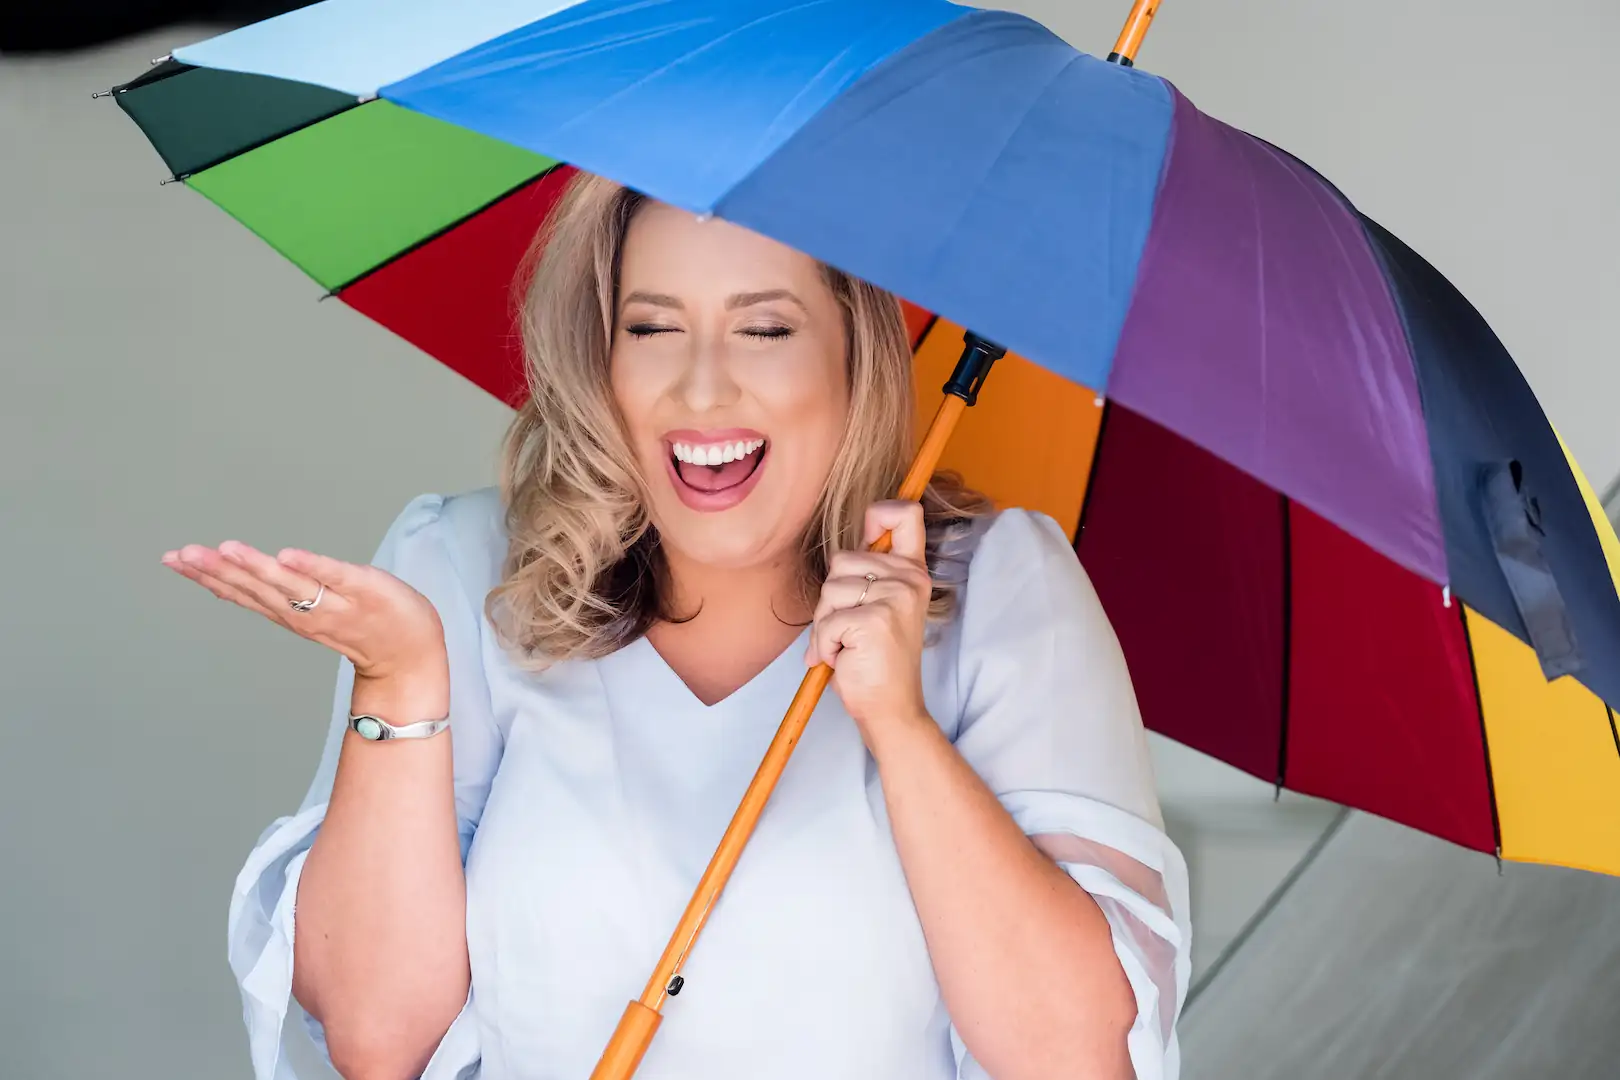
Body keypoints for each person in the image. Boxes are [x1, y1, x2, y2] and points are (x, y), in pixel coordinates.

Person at [161, 173, 1189, 1080]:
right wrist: (399, 688)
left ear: (854, 359)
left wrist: (900, 730)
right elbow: (378, 1043)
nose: (702, 388)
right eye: (651, 328)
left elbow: (1075, 1058)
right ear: (596, 357)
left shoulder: (1005, 590)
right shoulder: (460, 570)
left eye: (767, 329)